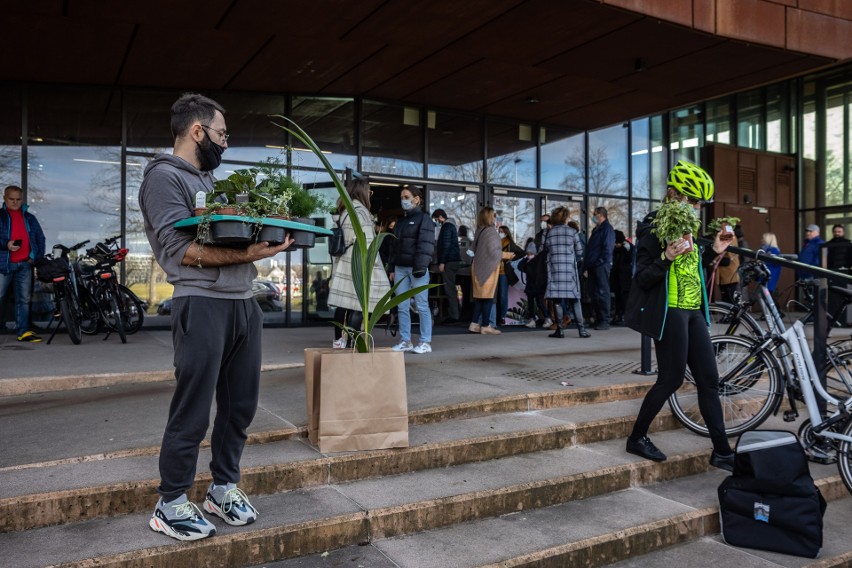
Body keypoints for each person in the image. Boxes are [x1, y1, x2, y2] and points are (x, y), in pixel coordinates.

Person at [139, 93, 293, 541]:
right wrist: (246, 252)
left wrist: (262, 244)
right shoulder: (165, 179)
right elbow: (180, 249)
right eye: (222, 134)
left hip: (243, 302)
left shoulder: (208, 182)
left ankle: (222, 488)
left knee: (240, 405)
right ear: (197, 131)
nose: (226, 143)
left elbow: (228, 239)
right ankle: (170, 502)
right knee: (193, 408)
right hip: (201, 303)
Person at [624, 160, 735, 472]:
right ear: (675, 195)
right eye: (693, 200)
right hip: (669, 311)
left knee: (709, 382)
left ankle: (723, 452)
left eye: (700, 203)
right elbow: (643, 277)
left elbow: (694, 265)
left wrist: (714, 250)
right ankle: (637, 437)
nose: (698, 207)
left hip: (694, 312)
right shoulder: (652, 226)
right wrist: (666, 256)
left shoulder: (689, 227)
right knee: (670, 379)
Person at [327, 174, 391, 348]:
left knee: (343, 303)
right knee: (357, 304)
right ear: (363, 192)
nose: (370, 193)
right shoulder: (360, 211)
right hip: (357, 261)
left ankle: (339, 341)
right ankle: (353, 342)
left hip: (345, 261)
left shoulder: (345, 210)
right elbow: (367, 242)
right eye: (369, 191)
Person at [388, 186, 435, 354]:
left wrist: (421, 267)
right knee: (402, 306)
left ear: (417, 199)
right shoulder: (401, 221)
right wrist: (392, 267)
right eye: (402, 197)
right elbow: (394, 245)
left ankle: (425, 342)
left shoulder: (425, 219)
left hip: (417, 268)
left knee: (422, 305)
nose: (403, 200)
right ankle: (405, 340)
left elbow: (426, 245)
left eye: (407, 196)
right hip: (400, 268)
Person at [0, 185, 46, 342]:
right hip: (3, 265)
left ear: (22, 200)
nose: (14, 202)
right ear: (5, 198)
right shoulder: (0, 216)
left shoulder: (29, 218)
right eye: (11, 199)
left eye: (18, 199)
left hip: (25, 264)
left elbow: (40, 238)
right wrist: (6, 244)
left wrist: (35, 257)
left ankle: (23, 332)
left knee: (24, 300)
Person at [544, 207, 589, 338]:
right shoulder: (572, 232)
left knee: (557, 300)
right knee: (575, 299)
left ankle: (560, 330)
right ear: (565, 218)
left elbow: (545, 248)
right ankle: (582, 330)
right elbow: (580, 251)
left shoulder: (550, 233)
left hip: (555, 270)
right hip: (569, 271)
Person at [468, 207, 504, 335]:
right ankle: (485, 325)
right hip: (488, 268)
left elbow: (474, 248)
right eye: (493, 215)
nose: (495, 217)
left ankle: (474, 324)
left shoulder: (479, 230)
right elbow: (494, 252)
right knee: (488, 297)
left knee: (479, 298)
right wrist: (507, 255)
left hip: (477, 267)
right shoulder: (491, 231)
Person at [585, 206, 615, 330]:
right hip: (593, 266)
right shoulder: (596, 229)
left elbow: (608, 249)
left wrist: (599, 262)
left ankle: (604, 320)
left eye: (595, 214)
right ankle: (598, 319)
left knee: (602, 292)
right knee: (594, 293)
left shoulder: (607, 229)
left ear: (600, 215)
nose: (593, 217)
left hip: (601, 265)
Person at [432, 209, 462, 324]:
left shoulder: (446, 226)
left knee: (449, 288)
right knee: (451, 287)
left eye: (436, 219)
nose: (436, 222)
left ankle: (454, 315)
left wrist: (442, 262)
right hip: (453, 260)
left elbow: (445, 245)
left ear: (440, 216)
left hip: (449, 261)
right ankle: (454, 313)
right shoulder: (452, 225)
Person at [496, 226, 524, 325]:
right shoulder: (495, 242)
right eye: (499, 231)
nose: (500, 233)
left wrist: (511, 259)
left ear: (506, 233)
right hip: (494, 271)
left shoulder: (509, 243)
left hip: (504, 272)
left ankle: (502, 317)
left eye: (502, 231)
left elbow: (522, 252)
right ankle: (496, 316)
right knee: (496, 296)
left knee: (503, 295)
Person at [610, 230, 633, 326]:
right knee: (618, 297)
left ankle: (623, 316)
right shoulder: (616, 250)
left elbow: (629, 258)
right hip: (618, 276)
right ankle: (618, 315)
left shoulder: (627, 247)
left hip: (624, 277)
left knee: (624, 297)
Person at [715, 233, 741, 304]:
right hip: (727, 273)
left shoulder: (728, 237)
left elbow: (721, 250)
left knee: (729, 297)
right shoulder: (731, 236)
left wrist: (714, 260)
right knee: (727, 296)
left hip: (729, 273)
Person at [760, 232, 782, 300]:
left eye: (763, 238)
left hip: (769, 276)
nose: (761, 240)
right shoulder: (765, 250)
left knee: (768, 297)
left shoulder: (773, 250)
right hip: (767, 275)